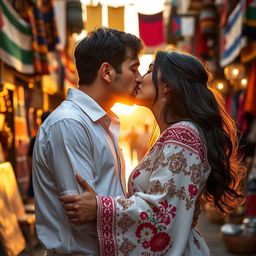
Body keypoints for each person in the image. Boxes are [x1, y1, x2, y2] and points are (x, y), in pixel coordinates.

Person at [60, 50, 246, 255]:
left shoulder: (183, 135)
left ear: (167, 86)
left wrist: (101, 209)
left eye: (149, 71)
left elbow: (163, 215)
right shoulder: (177, 134)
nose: (139, 78)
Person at [32, 27, 143, 255]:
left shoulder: (100, 123)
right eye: (134, 69)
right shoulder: (69, 124)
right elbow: (82, 217)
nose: (139, 79)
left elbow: (97, 206)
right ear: (107, 72)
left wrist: (106, 208)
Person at [27, 111, 51, 197]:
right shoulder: (41, 138)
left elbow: (29, 158)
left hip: (37, 175)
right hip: (42, 176)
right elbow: (29, 158)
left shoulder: (36, 138)